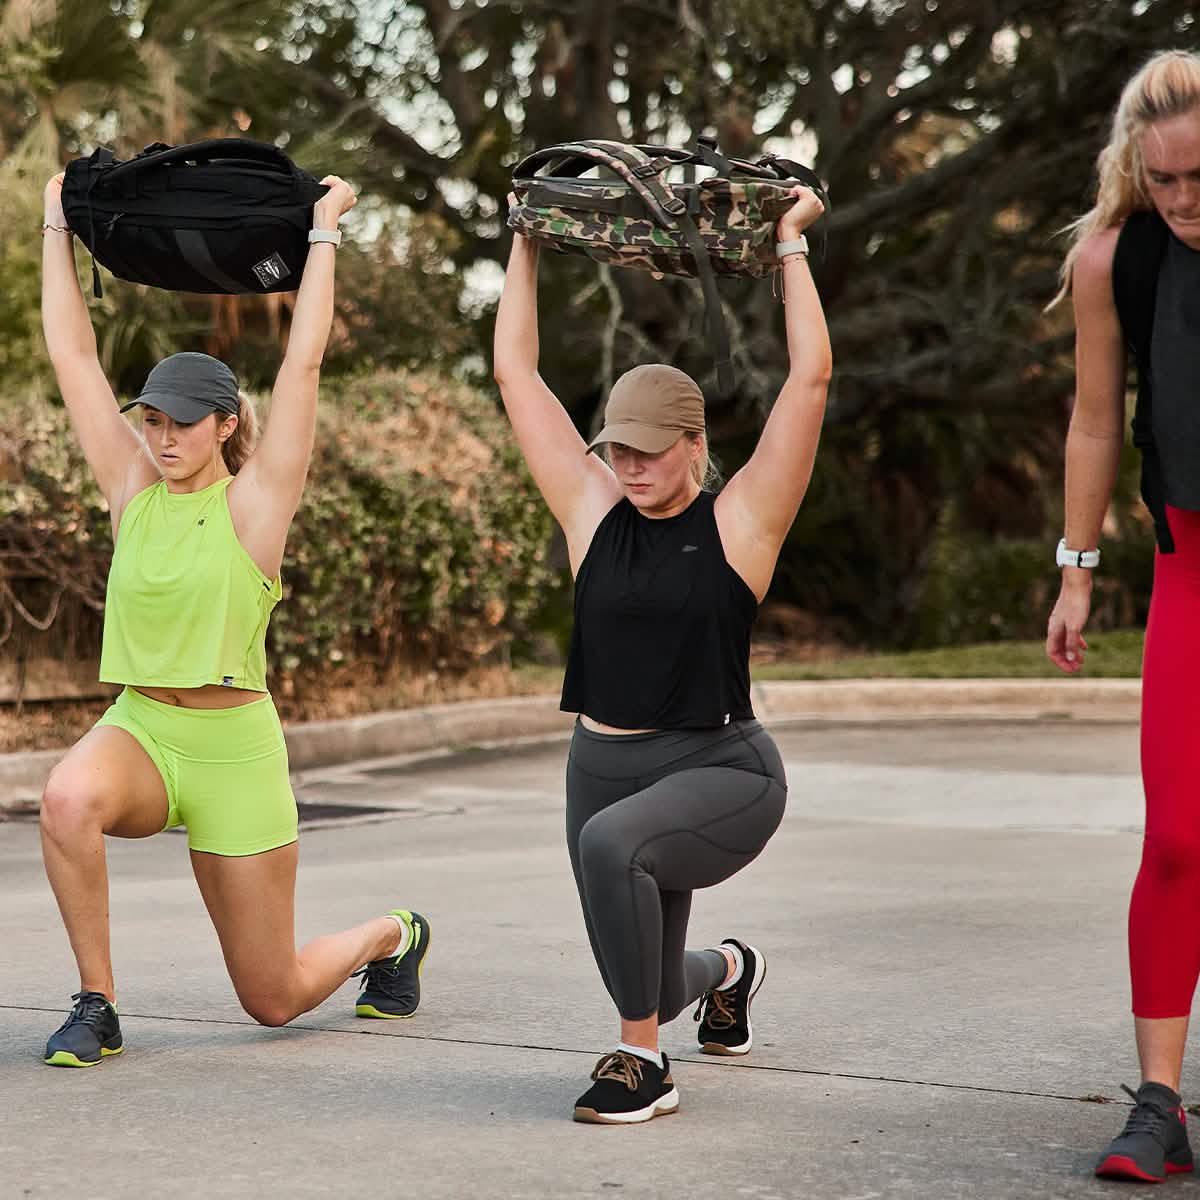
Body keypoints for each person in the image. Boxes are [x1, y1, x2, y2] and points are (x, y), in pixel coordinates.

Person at [38, 169, 430, 1067]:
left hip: (234, 751)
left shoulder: (256, 506)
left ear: (224, 425)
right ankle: (97, 1003)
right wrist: (56, 223)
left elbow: (304, 363)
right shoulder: (132, 489)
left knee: (273, 997)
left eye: (181, 423)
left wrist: (324, 231)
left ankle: (391, 936)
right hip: (142, 728)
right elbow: (73, 358)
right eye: (150, 421)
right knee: (64, 797)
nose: (161, 438)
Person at [493, 183, 829, 1122]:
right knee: (644, 970)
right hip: (599, 766)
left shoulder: (742, 523)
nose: (631, 465)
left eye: (649, 450)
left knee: (612, 852)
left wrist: (790, 246)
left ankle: (643, 1065)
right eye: (619, 449)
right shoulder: (591, 510)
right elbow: (516, 373)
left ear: (693, 443)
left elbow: (809, 383)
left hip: (719, 768)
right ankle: (729, 971)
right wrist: (526, 238)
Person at [1047, 49, 1200, 1182]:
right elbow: (1097, 420)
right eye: (1164, 180)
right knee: (1180, 838)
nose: (1185, 200)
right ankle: (1159, 1104)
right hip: (1191, 572)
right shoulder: (1115, 261)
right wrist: (1078, 568)